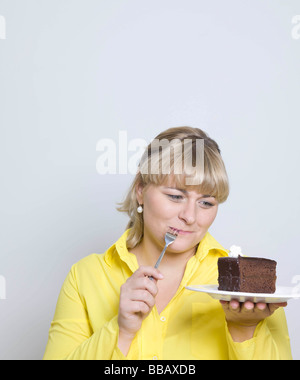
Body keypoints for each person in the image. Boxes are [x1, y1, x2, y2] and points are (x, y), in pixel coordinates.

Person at [43, 126, 292, 360]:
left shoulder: (250, 292)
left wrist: (245, 329)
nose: (190, 216)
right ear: (140, 189)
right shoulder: (85, 277)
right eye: (175, 196)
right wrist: (121, 330)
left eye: (206, 202)